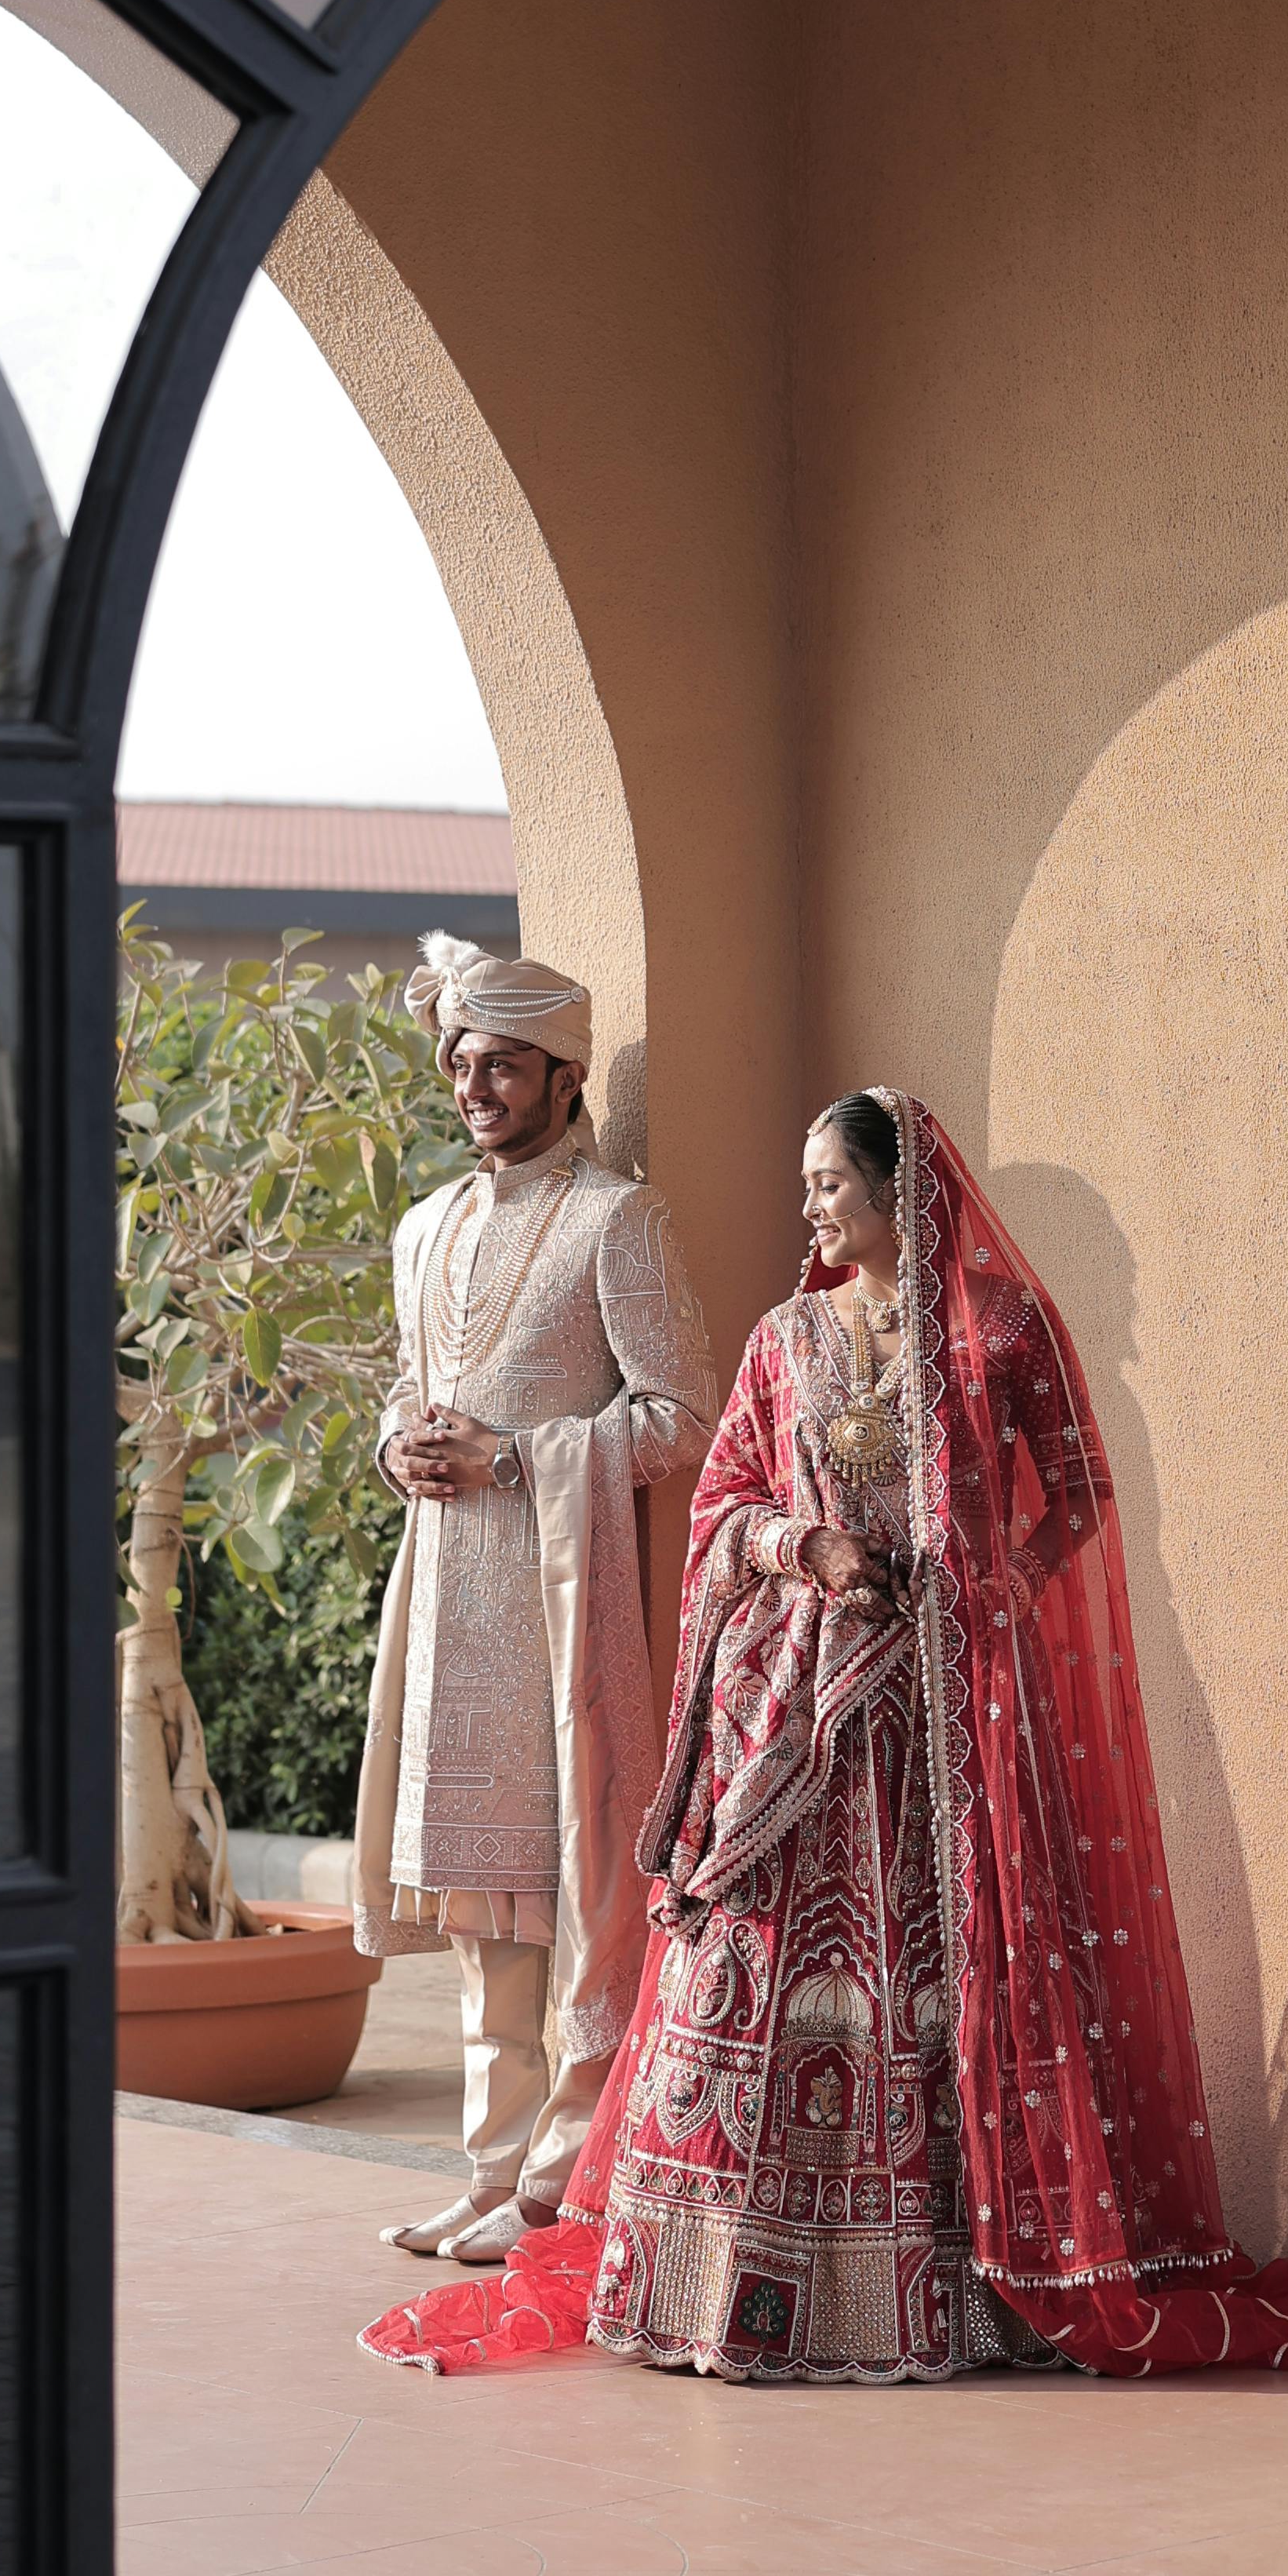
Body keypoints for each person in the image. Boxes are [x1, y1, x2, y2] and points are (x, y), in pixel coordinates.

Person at [366, 1088, 1288, 2381]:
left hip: (951, 1717)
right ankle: (726, 2281)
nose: (811, 1209)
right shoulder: (785, 1340)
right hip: (797, 1704)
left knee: (948, 1963)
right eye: (808, 1187)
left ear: (903, 1195)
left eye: (831, 1185)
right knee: (754, 1960)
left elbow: (1077, 1493)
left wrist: (988, 1585)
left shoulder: (1001, 1330)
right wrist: (811, 1546)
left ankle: (954, 2286)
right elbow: (726, 1498)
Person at [357, 936, 715, 2264]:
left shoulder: (620, 1217)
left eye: (502, 1064)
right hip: (448, 1597)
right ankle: (489, 2168)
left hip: (563, 1607)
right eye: (461, 1063)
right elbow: (410, 1385)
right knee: (475, 1907)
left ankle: (559, 2182)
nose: (475, 1086)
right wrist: (398, 1444)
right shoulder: (426, 1227)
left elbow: (683, 1412)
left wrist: (516, 1458)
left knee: (568, 1896)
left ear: (565, 1075)